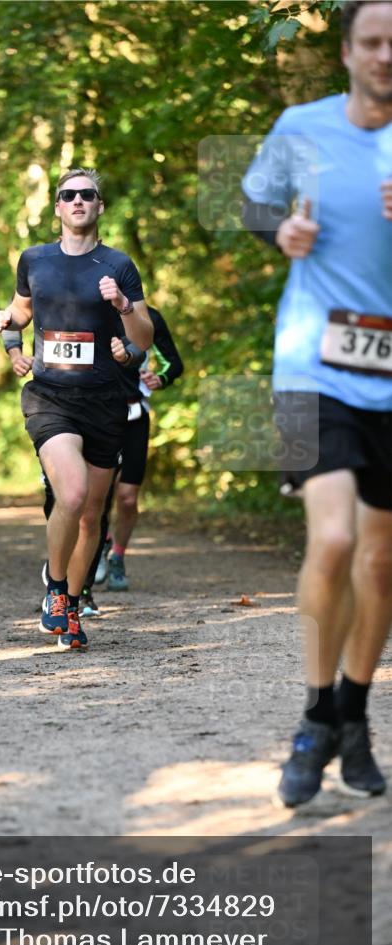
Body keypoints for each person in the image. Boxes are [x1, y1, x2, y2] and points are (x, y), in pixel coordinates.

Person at [241, 0, 392, 807]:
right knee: (332, 540)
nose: (384, 56)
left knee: (380, 559)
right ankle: (312, 716)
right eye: (371, 42)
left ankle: (354, 715)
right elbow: (252, 202)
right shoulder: (300, 125)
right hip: (310, 363)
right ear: (345, 52)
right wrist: (280, 234)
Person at [0, 167, 153, 651]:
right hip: (50, 397)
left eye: (88, 194)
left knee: (91, 516)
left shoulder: (119, 265)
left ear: (100, 206)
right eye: (69, 194)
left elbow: (143, 339)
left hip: (104, 400)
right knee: (74, 494)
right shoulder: (34, 259)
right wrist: (8, 334)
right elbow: (19, 311)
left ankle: (74, 604)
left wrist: (123, 305)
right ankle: (56, 590)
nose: (78, 200)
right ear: (57, 207)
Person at [100, 306, 184, 593]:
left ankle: (118, 557)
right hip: (96, 415)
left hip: (135, 416)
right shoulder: (90, 309)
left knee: (126, 498)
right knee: (99, 495)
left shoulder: (149, 317)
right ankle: (98, 546)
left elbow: (174, 363)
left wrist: (160, 378)